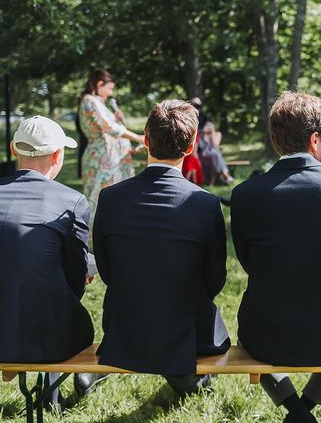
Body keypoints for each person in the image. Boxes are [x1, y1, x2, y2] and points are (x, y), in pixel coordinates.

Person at [231, 92, 321, 423]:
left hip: (266, 335)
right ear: (314, 140)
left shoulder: (244, 195)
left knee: (246, 329)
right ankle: (303, 410)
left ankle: (297, 411)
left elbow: (248, 261)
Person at [0, 116, 95, 403]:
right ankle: (51, 395)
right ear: (57, 154)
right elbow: (76, 277)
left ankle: (46, 396)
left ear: (13, 150)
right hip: (46, 324)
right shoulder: (72, 201)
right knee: (54, 301)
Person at [93, 100, 230, 396]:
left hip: (124, 329)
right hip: (190, 331)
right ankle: (191, 384)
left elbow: (107, 269)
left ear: (145, 139)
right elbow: (214, 277)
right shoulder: (206, 204)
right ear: (192, 146)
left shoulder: (110, 198)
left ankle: (187, 383)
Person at [79, 69, 144, 228]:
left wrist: (131, 149)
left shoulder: (100, 104)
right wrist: (137, 137)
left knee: (115, 198)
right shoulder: (89, 101)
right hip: (101, 160)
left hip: (112, 160)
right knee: (98, 198)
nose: (110, 93)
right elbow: (108, 127)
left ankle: (112, 231)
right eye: (109, 88)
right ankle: (93, 237)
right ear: (100, 84)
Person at [198, 121, 234, 185]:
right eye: (207, 126)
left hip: (214, 155)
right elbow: (200, 146)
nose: (208, 128)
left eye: (210, 126)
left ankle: (216, 180)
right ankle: (226, 176)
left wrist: (212, 134)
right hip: (204, 155)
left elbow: (215, 145)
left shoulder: (218, 134)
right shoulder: (201, 135)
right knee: (216, 156)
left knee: (215, 156)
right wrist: (203, 134)